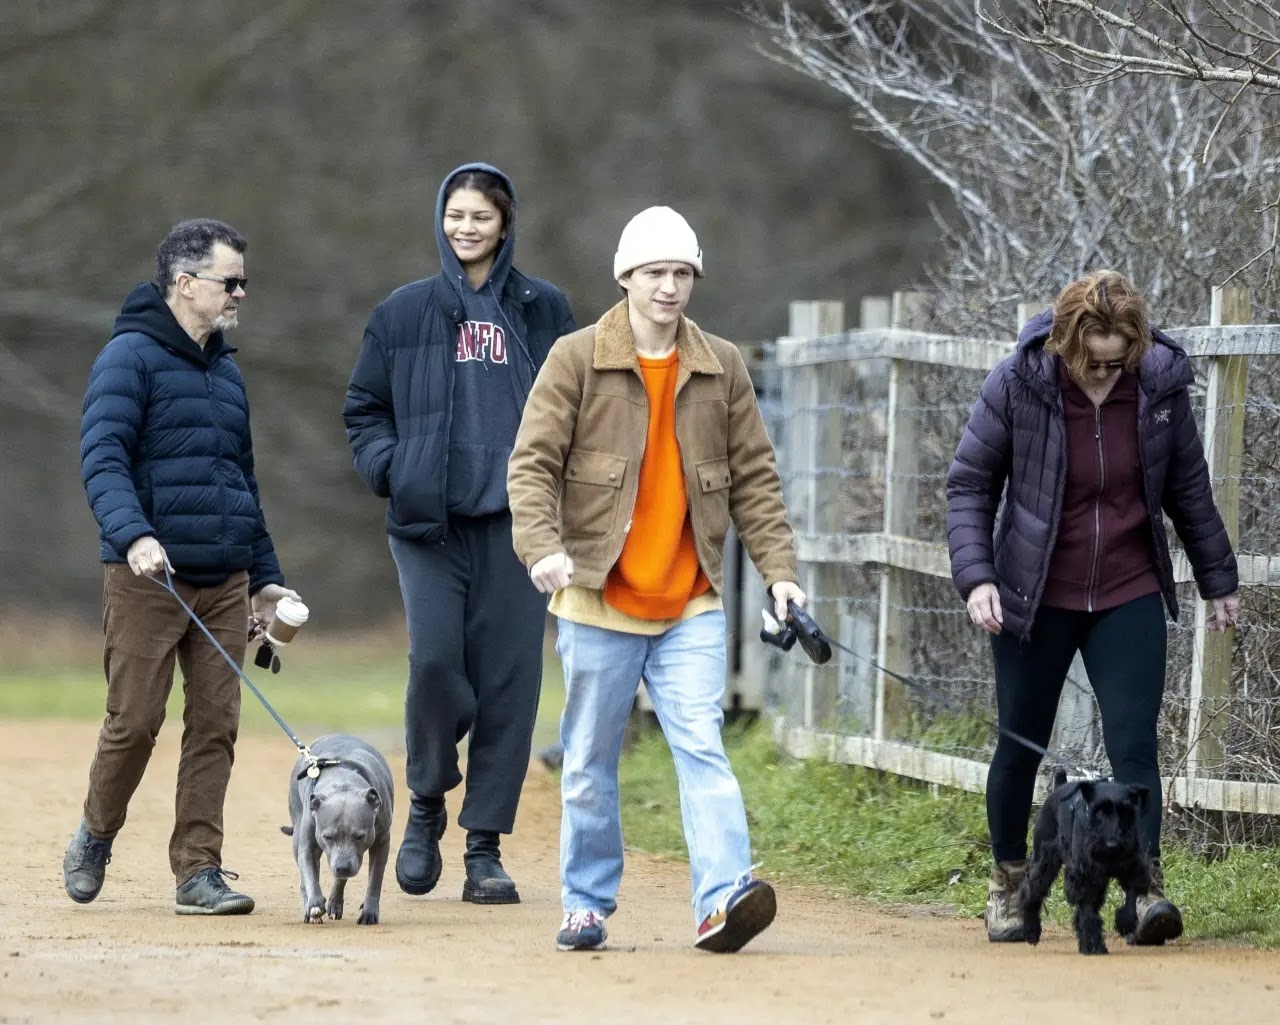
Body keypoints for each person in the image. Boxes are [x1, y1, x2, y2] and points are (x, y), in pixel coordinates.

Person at [507, 206, 805, 953]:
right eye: (654, 273)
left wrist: (781, 576)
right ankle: (584, 901)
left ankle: (723, 897)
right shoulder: (578, 358)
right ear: (625, 278)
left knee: (701, 746)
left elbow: (756, 482)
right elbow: (531, 463)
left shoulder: (722, 365)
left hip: (690, 603)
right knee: (587, 761)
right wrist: (541, 546)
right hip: (598, 597)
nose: (669, 287)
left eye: (681, 273)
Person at [946, 269, 1240, 945]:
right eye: (1092, 363)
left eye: (1117, 362)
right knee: (1021, 740)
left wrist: (1216, 578)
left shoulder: (1160, 386)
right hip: (1033, 591)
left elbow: (1190, 489)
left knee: (1134, 742)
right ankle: (1010, 885)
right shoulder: (1019, 382)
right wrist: (977, 577)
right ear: (1065, 347)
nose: (1105, 374)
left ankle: (1145, 892)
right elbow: (969, 485)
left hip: (1127, 585)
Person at [343, 163, 576, 904]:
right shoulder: (403, 311)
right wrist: (395, 467)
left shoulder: (545, 310)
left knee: (510, 680)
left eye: (481, 216)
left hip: (518, 527)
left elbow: (581, 408)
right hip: (428, 525)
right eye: (455, 214)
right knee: (437, 662)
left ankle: (484, 846)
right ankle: (423, 806)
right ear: (440, 218)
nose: (466, 227)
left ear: (505, 224)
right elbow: (363, 409)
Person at [68, 218, 300, 915]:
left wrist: (265, 576)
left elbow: (242, 483)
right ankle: (96, 831)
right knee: (135, 720)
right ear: (186, 283)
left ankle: (198, 870)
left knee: (216, 724)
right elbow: (102, 459)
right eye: (232, 281)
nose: (240, 294)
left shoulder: (227, 371)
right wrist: (133, 533)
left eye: (243, 282)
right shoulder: (127, 358)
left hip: (225, 579)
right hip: (149, 576)